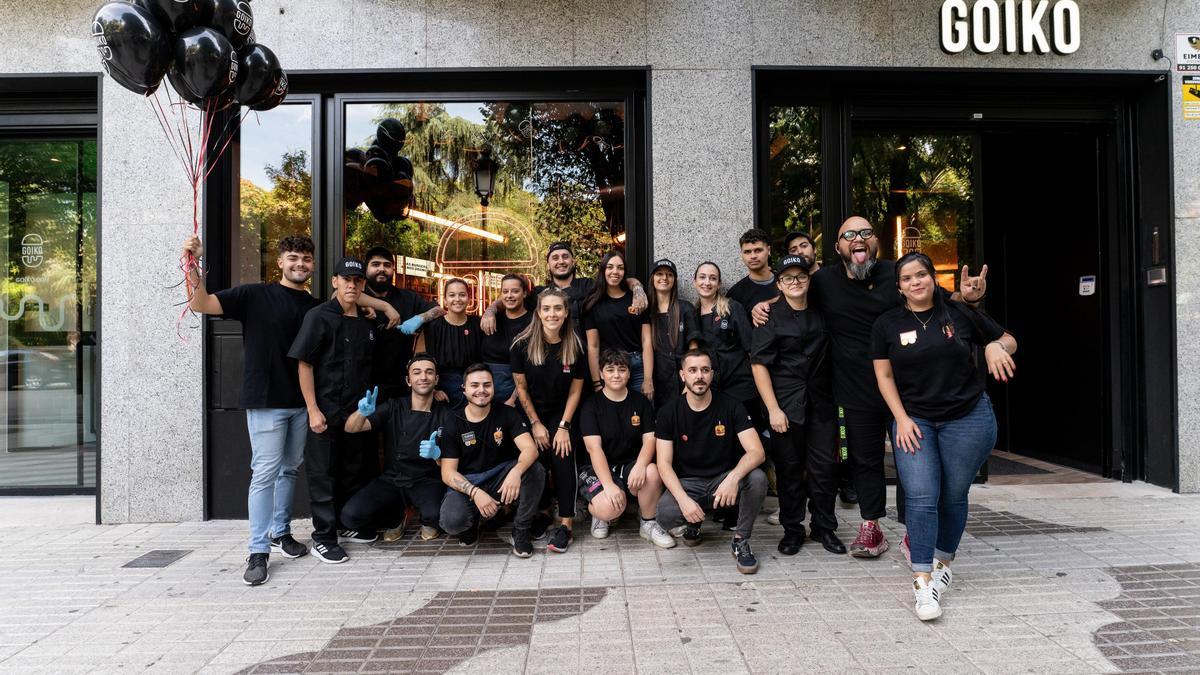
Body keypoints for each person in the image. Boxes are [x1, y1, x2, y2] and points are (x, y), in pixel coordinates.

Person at [751, 216, 989, 559]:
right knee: (864, 461)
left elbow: (930, 297)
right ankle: (871, 526)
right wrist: (765, 305)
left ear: (875, 241)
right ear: (838, 248)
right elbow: (792, 288)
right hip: (853, 391)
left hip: (906, 391)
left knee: (913, 460)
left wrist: (968, 300)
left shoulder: (896, 274)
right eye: (848, 235)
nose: (857, 239)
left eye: (864, 233)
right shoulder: (825, 280)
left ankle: (914, 530)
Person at [871, 252, 1017, 620]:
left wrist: (995, 345)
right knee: (921, 495)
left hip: (967, 418)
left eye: (922, 275)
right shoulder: (887, 324)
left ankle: (942, 564)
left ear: (934, 278)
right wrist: (900, 419)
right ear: (899, 286)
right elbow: (884, 377)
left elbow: (1008, 339)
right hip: (915, 421)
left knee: (953, 494)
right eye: (907, 278)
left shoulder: (959, 312)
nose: (915, 282)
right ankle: (922, 581)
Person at [183, 234, 320, 585]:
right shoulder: (254, 294)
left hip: (301, 403)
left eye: (305, 259)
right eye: (293, 258)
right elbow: (202, 304)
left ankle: (280, 533)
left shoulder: (313, 307)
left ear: (313, 265)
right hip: (265, 401)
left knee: (290, 470)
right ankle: (258, 551)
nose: (299, 264)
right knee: (265, 473)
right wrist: (191, 264)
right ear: (280, 262)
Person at [750, 255, 844, 556]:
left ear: (808, 280)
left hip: (822, 404)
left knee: (824, 469)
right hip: (785, 407)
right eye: (788, 278)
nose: (795, 282)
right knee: (790, 471)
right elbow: (759, 365)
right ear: (779, 283)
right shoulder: (770, 316)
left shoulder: (823, 312)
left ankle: (824, 528)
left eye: (800, 277)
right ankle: (793, 529)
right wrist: (773, 409)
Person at [288, 257, 378, 564]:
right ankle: (323, 538)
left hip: (354, 415)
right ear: (334, 281)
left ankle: (342, 526)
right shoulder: (318, 317)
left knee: (351, 472)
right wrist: (312, 409)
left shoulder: (366, 322)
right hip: (325, 412)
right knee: (322, 475)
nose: (352, 285)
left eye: (357, 281)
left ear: (363, 285)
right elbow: (304, 364)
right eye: (346, 280)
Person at [655, 350, 769, 574]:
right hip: (689, 483)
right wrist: (683, 500)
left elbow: (757, 452)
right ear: (682, 375)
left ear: (712, 374)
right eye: (693, 370)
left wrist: (733, 478)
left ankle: (740, 541)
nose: (700, 376)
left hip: (723, 480)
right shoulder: (669, 412)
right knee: (665, 514)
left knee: (757, 478)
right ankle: (693, 523)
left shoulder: (730, 405)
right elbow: (663, 464)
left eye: (705, 370)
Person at [436, 364, 547, 558]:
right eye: (475, 385)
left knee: (535, 470)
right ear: (464, 389)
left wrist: (517, 471)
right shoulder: (453, 422)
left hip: (501, 477)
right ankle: (473, 523)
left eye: (487, 385)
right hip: (469, 482)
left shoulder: (506, 413)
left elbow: (530, 449)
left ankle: (521, 530)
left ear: (494, 387)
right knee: (452, 522)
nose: (481, 390)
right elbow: (447, 473)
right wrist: (474, 492)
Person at [341, 354, 450, 543]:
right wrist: (361, 413)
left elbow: (452, 460)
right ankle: (395, 517)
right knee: (351, 516)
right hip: (393, 479)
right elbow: (351, 428)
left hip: (427, 481)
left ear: (436, 379)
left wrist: (437, 456)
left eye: (429, 372)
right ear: (409, 380)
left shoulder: (446, 415)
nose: (423, 377)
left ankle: (427, 520)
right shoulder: (393, 406)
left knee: (436, 516)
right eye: (417, 373)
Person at [511, 287, 587, 553]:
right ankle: (541, 514)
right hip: (532, 412)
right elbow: (521, 388)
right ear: (538, 313)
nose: (552, 314)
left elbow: (576, 389)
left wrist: (564, 426)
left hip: (562, 412)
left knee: (563, 455)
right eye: (546, 309)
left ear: (566, 313)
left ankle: (566, 524)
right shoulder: (521, 344)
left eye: (558, 309)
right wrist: (534, 423)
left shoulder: (576, 346)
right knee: (537, 463)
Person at [578, 349, 675, 548]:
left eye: (622, 370)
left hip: (628, 465)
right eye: (610, 370)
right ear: (601, 373)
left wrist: (640, 465)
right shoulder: (591, 405)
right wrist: (608, 485)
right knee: (609, 508)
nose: (616, 375)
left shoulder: (640, 402)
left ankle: (648, 523)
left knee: (652, 471)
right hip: (596, 468)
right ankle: (600, 513)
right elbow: (593, 449)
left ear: (629, 373)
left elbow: (650, 440)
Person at [480, 241, 647, 335]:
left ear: (573, 262)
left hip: (588, 358)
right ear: (548, 265)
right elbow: (510, 299)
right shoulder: (539, 293)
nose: (561, 261)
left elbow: (621, 280)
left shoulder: (588, 285)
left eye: (565, 257)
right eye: (555, 258)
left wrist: (638, 290)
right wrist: (490, 311)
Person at [362, 245, 444, 400]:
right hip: (366, 384)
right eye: (375, 264)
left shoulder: (407, 297)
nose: (382, 269)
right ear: (366, 269)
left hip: (402, 384)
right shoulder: (358, 297)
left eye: (387, 265)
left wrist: (421, 318)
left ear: (393, 269)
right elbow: (337, 296)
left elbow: (439, 310)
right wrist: (373, 304)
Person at [691, 262, 760, 431]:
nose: (707, 282)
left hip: (741, 388)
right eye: (702, 277)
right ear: (694, 282)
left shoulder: (732, 308)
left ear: (719, 284)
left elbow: (751, 349)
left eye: (713, 278)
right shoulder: (691, 315)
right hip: (712, 391)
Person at [583, 251, 653, 398]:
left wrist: (648, 379)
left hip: (636, 365)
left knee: (641, 413)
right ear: (603, 270)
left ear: (625, 272)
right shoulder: (593, 303)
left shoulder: (636, 299)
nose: (615, 271)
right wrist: (596, 381)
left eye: (620, 268)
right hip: (609, 367)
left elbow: (646, 341)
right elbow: (593, 345)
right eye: (610, 267)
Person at [415, 278, 481, 408]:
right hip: (442, 393)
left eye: (462, 295)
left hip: (473, 390)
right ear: (445, 300)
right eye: (452, 295)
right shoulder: (433, 327)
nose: (457, 299)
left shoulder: (478, 325)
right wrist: (433, 390)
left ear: (469, 298)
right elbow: (419, 361)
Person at [648, 258, 698, 409]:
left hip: (682, 380)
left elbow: (694, 348)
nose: (664, 278)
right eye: (659, 274)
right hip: (656, 381)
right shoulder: (646, 312)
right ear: (652, 279)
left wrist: (690, 382)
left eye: (669, 274)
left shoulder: (685, 308)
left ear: (674, 280)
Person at [480, 274, 531, 406]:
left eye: (515, 291)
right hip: (485, 391)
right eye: (505, 291)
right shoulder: (491, 319)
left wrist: (513, 399)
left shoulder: (533, 322)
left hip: (516, 392)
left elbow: (532, 368)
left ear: (524, 293)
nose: (509, 295)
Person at [728, 229, 778, 318]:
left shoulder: (787, 282)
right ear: (741, 255)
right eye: (747, 252)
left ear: (769, 250)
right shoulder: (735, 294)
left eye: (758, 250)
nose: (753, 256)